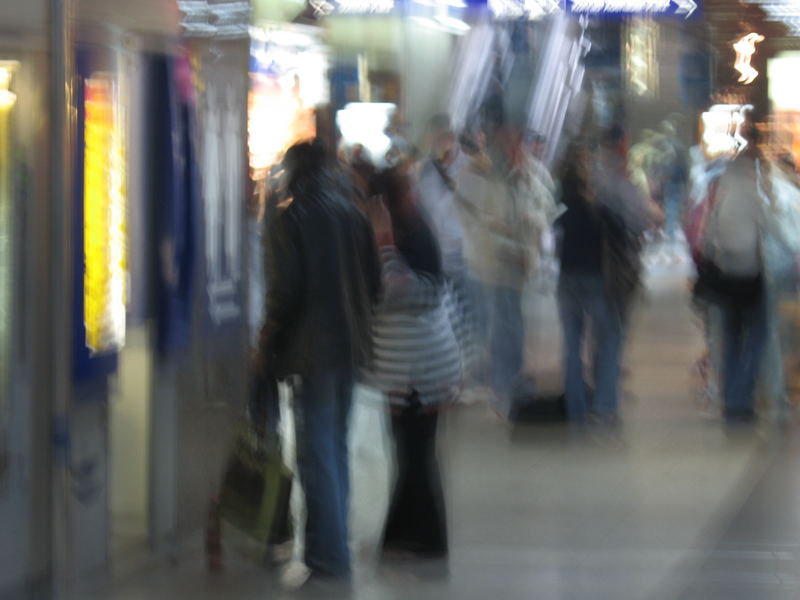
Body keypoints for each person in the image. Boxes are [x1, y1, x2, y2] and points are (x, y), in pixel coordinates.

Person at [255, 141, 381, 588]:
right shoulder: (352, 212)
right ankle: (335, 545)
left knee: (316, 451)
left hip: (311, 351)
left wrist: (267, 340)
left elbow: (285, 292)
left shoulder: (295, 218)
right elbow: (374, 280)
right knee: (337, 446)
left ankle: (328, 556)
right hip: (351, 346)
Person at [365, 167, 461, 568]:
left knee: (416, 455)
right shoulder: (386, 240)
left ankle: (424, 540)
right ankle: (407, 537)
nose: (415, 196)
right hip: (400, 370)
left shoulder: (419, 237)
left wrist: (384, 242)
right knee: (409, 454)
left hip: (422, 369)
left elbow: (411, 293)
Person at [697, 120, 768, 423]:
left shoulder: (723, 190)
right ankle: (741, 401)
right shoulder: (757, 195)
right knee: (756, 337)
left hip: (725, 278)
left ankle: (729, 399)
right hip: (751, 278)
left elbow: (708, 235)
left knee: (729, 338)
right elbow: (768, 234)